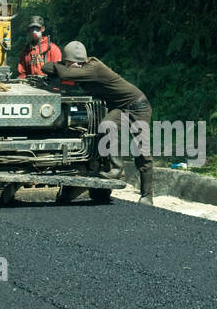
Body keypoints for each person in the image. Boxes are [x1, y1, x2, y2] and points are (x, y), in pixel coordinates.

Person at [42, 41, 155, 205]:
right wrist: (62, 65)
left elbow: (65, 74)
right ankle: (116, 169)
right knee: (106, 126)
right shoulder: (81, 67)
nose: (68, 67)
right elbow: (46, 67)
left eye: (69, 64)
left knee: (141, 151)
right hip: (121, 107)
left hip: (139, 107)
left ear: (77, 63)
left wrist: (60, 67)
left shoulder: (93, 68)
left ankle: (147, 196)